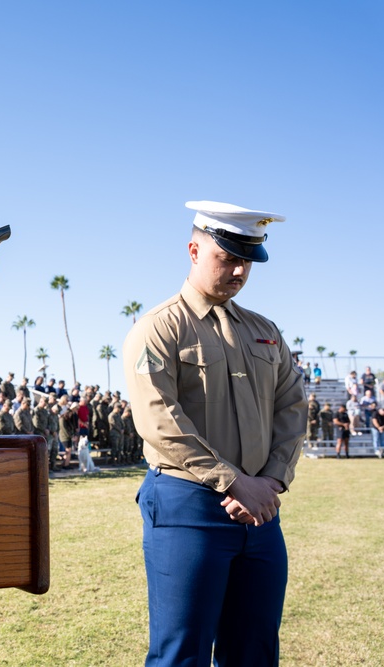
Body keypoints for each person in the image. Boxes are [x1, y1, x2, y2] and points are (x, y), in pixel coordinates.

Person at [123, 200, 305, 666]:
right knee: (180, 653)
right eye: (227, 257)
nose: (239, 270)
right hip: (190, 504)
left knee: (255, 650)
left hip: (261, 510)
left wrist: (272, 481)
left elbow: (292, 407)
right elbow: (159, 420)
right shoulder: (158, 328)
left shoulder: (265, 332)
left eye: (247, 259)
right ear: (193, 250)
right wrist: (234, 481)